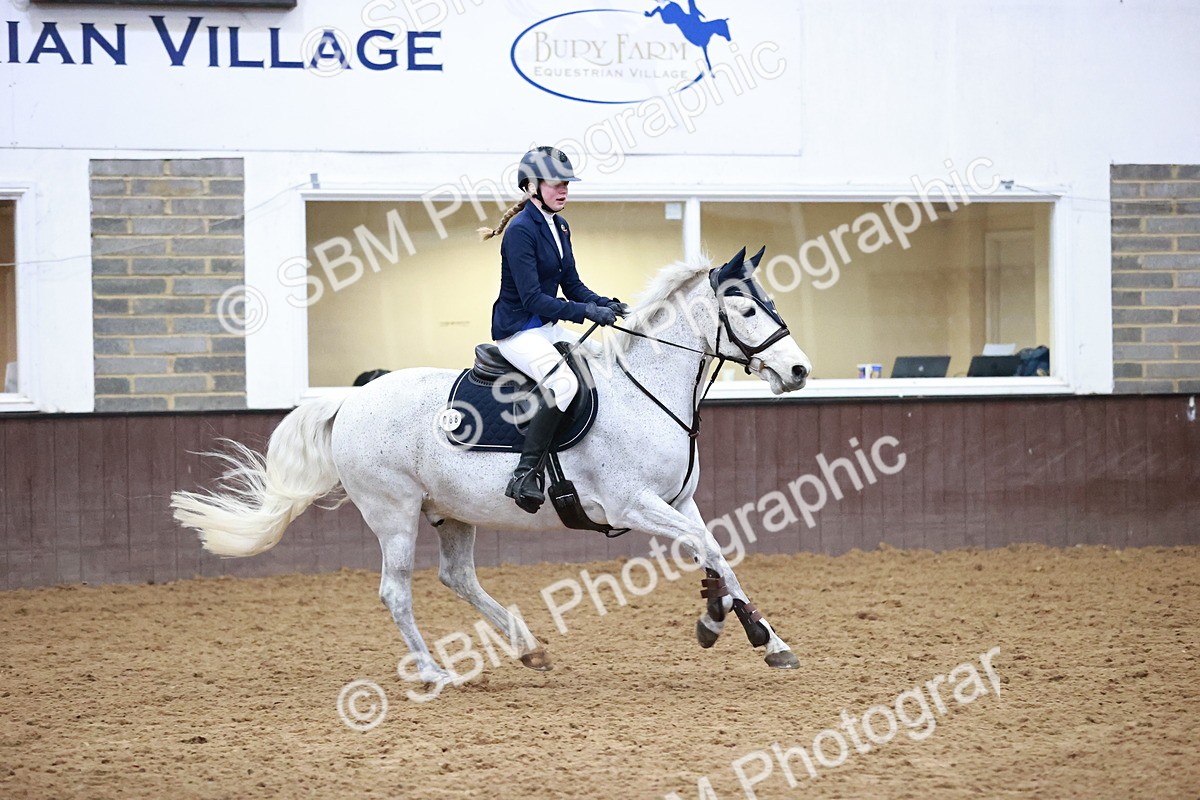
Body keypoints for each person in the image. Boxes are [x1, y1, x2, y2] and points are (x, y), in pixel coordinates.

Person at [479, 146, 629, 513]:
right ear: (531, 187)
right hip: (519, 332)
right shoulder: (520, 231)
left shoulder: (559, 225)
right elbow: (533, 300)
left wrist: (603, 302)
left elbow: (572, 284)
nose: (563, 190)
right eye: (555, 184)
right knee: (563, 383)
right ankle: (525, 473)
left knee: (600, 365)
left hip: (546, 327)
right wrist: (586, 313)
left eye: (566, 184)